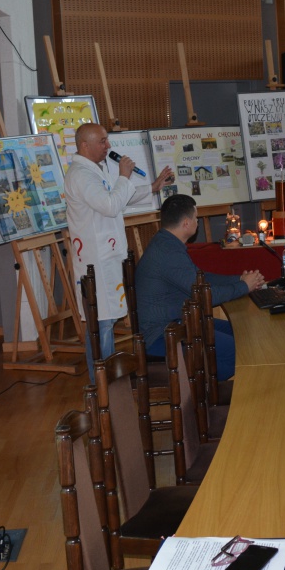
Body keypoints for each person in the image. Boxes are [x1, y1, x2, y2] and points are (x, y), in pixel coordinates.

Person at [66, 122, 174, 379]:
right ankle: (103, 385)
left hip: (107, 258)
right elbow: (111, 205)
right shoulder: (81, 175)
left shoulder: (94, 169)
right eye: (102, 141)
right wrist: (124, 175)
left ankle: (109, 381)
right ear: (85, 145)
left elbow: (116, 196)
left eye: (107, 139)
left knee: (106, 322)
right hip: (96, 261)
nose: (108, 145)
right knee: (101, 324)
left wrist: (152, 187)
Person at [135, 194, 265, 381]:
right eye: (196, 218)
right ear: (186, 223)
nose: (197, 222)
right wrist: (244, 286)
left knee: (240, 333)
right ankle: (198, 388)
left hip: (177, 322)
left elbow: (201, 279)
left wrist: (239, 280)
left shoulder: (166, 243)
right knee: (236, 351)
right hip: (162, 335)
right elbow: (204, 295)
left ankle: (207, 384)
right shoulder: (168, 251)